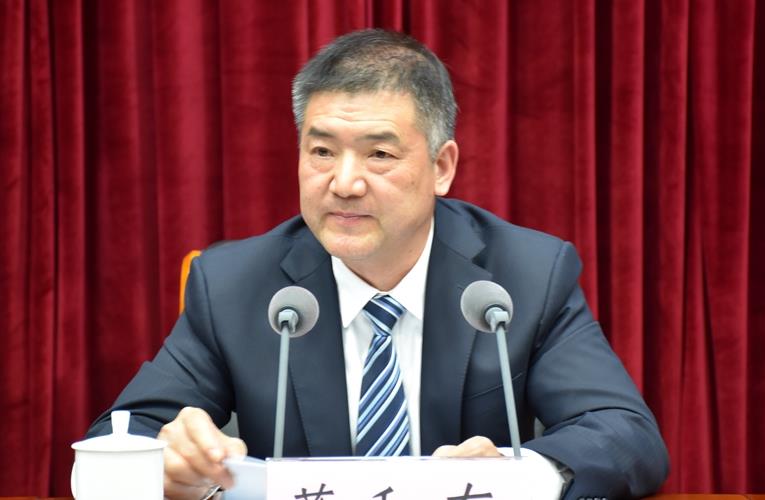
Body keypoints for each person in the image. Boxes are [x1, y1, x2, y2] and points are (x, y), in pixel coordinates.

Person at [87, 29, 669, 500]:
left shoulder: (526, 275)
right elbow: (117, 437)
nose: (344, 183)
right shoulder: (234, 285)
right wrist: (167, 464)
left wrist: (520, 476)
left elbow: (625, 434)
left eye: (380, 154)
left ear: (442, 167)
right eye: (321, 151)